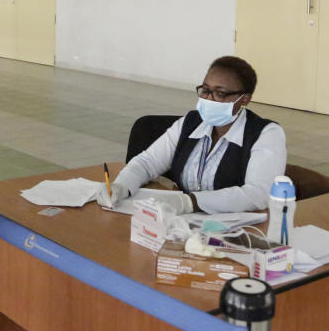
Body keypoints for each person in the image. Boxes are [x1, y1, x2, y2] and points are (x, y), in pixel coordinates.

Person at [100, 56, 286, 213]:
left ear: (244, 99)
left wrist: (190, 202)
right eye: (205, 90)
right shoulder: (190, 123)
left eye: (219, 93)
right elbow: (147, 162)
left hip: (233, 230)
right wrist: (121, 186)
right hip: (178, 223)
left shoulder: (266, 134)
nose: (207, 99)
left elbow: (258, 193)